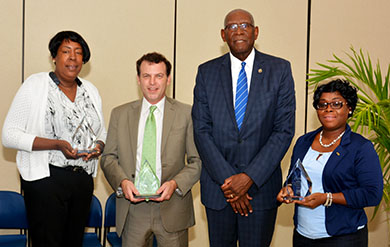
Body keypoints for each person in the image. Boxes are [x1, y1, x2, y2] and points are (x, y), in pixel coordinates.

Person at [192, 8, 296, 247]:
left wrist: (249, 177)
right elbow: (201, 130)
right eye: (231, 27)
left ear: (256, 32)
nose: (238, 31)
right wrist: (231, 183)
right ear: (223, 35)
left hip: (260, 191)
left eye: (245, 25)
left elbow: (283, 130)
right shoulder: (206, 72)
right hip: (220, 192)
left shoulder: (279, 70)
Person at [2, 30, 107, 247]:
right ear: (54, 57)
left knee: (73, 242)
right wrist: (57, 144)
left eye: (78, 53)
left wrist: (98, 145)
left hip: (82, 181)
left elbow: (101, 132)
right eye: (66, 51)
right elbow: (9, 135)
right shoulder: (36, 85)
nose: (73, 57)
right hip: (46, 180)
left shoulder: (91, 91)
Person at [101, 52, 201, 247]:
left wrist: (175, 184)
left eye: (159, 76)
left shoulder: (187, 114)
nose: (152, 82)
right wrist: (122, 181)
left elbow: (197, 161)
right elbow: (108, 158)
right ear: (138, 79)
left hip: (173, 207)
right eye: (146, 76)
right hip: (133, 210)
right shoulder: (120, 114)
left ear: (168, 79)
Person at [277, 79, 383, 247]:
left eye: (336, 104)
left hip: (343, 237)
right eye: (322, 104)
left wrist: (327, 198)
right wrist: (288, 189)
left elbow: (372, 194)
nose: (328, 109)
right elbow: (295, 177)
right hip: (303, 235)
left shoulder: (360, 147)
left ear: (349, 109)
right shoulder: (303, 141)